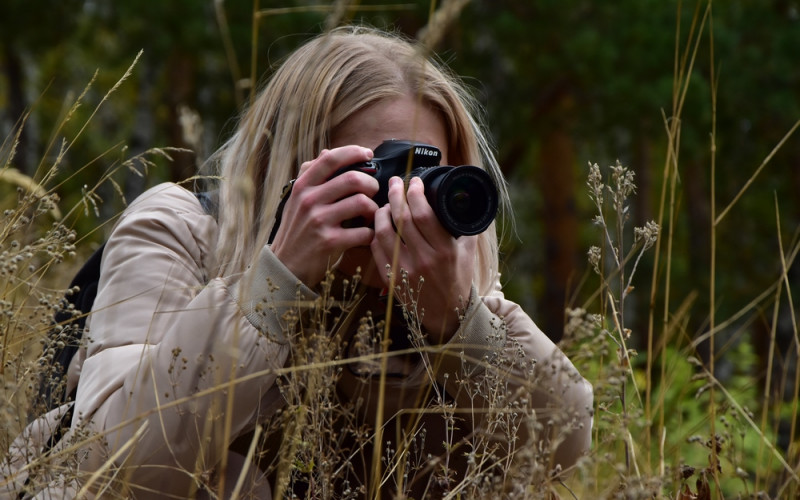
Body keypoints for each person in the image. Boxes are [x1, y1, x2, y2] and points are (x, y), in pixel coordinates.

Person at [5, 26, 592, 499]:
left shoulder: (441, 285)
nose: (401, 206)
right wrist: (276, 284)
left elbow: (563, 445)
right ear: (287, 170)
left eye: (425, 179)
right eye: (377, 175)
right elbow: (115, 466)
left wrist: (459, 320)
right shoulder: (182, 232)